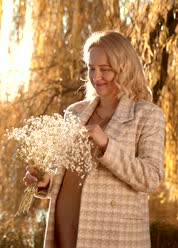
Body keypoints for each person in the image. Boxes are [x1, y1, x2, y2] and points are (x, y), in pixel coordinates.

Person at [23, 30, 166, 247]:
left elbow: (152, 178)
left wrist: (107, 145)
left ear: (124, 69)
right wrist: (47, 182)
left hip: (113, 235)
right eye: (91, 68)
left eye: (105, 69)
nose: (96, 77)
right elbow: (70, 174)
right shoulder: (74, 111)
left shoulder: (147, 115)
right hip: (64, 227)